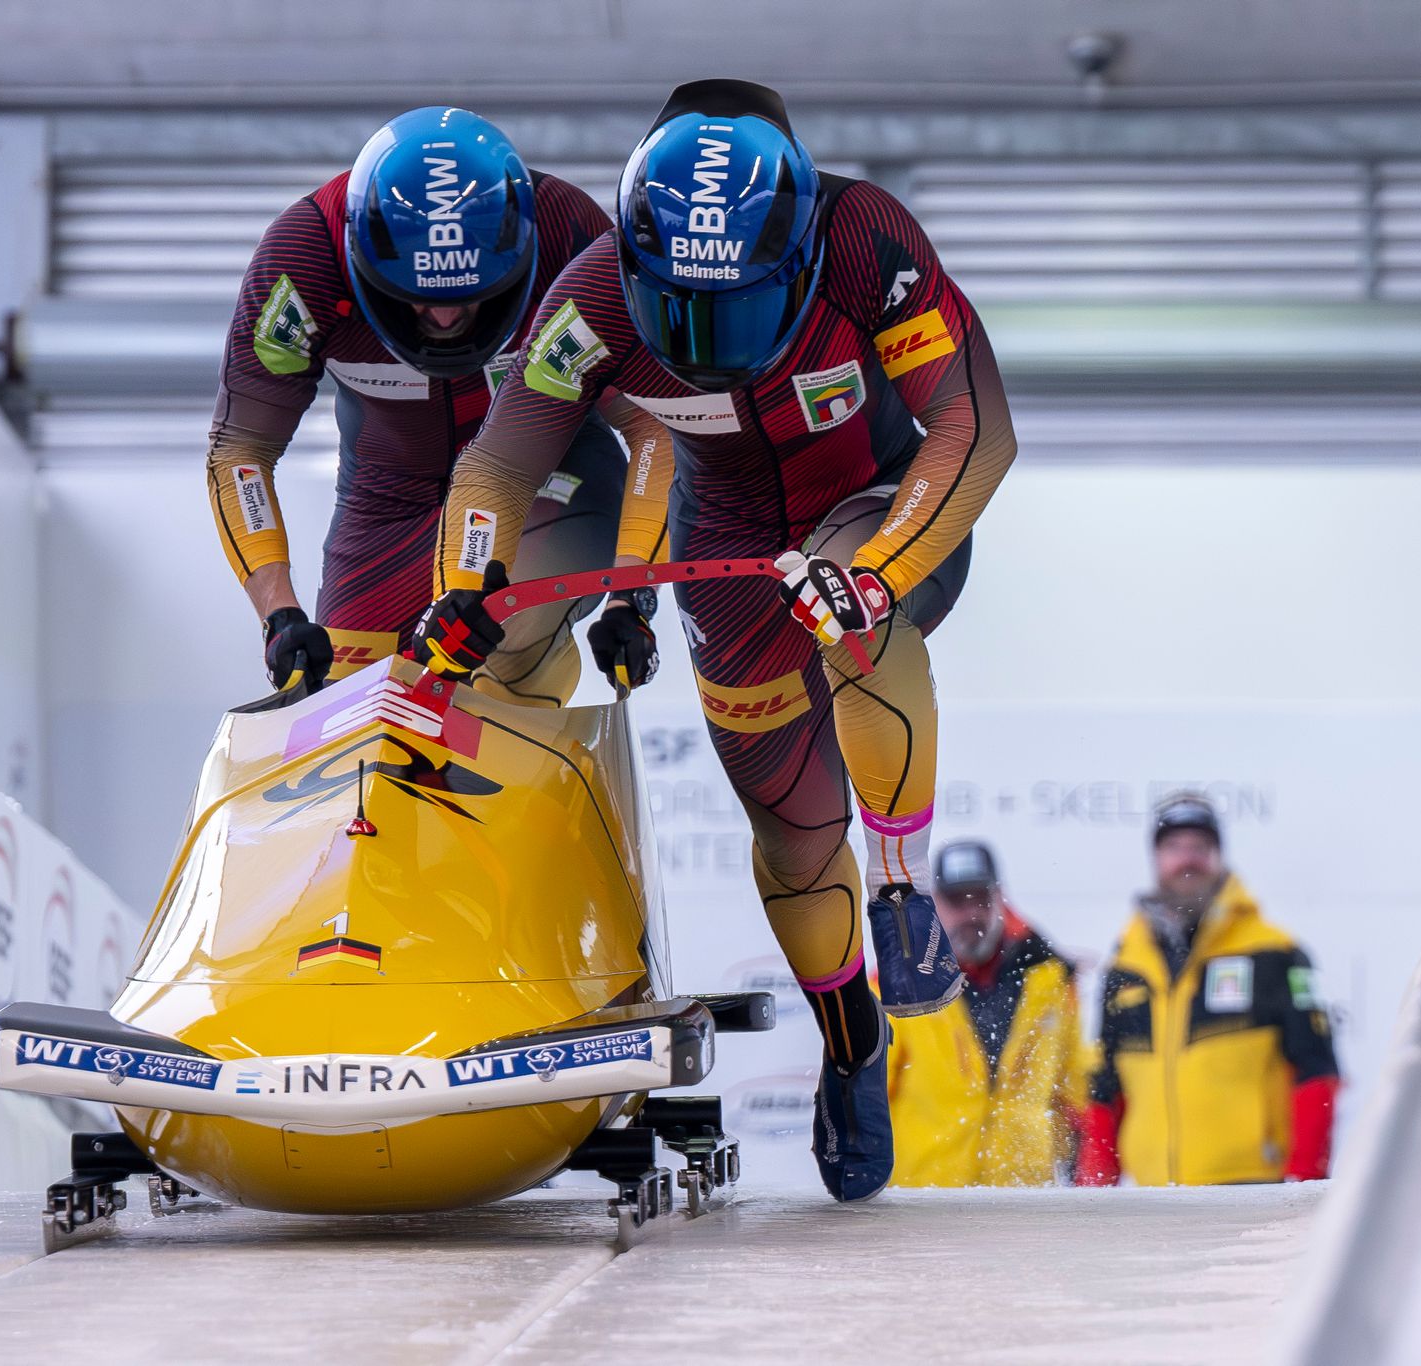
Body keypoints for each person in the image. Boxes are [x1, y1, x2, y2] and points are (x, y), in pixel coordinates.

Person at [413, 79, 1019, 1199]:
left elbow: (972, 430)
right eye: (677, 307)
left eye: (732, 306)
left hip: (879, 500)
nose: (703, 342)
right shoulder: (590, 299)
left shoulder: (865, 244)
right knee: (787, 829)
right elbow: (495, 466)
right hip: (727, 533)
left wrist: (880, 570)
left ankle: (900, 882)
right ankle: (850, 1051)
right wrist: (462, 587)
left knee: (850, 619)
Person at [205, 106, 671, 704]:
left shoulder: (568, 236)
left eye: (474, 296)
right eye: (416, 299)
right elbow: (241, 450)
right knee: (352, 708)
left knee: (488, 634)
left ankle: (526, 689)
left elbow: (653, 423)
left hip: (549, 481)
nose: (446, 319)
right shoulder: (304, 263)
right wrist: (280, 615)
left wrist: (631, 596)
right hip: (386, 502)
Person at [1077, 794, 1341, 1187]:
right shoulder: (1125, 965)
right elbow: (1104, 1092)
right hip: (1152, 1197)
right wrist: (1095, 1192)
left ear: (1219, 857)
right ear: (1156, 859)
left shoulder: (1273, 952)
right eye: (1174, 848)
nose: (1188, 860)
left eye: (1200, 848)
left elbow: (1316, 1074)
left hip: (1250, 1191)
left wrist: (1305, 1185)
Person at [884, 840, 1088, 1187]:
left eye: (980, 899)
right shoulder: (896, 986)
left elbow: (1074, 1090)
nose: (971, 914)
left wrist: (1079, 1168)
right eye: (956, 901)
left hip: (1023, 1198)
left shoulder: (1049, 979)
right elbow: (870, 1098)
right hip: (927, 1203)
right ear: (933, 906)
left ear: (1000, 901)